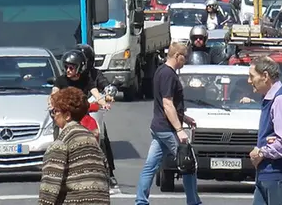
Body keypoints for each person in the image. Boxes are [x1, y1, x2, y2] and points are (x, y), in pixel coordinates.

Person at [135, 42, 202, 205]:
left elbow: (166, 103)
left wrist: (184, 118)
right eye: (184, 57)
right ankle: (193, 202)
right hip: (167, 128)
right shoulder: (168, 74)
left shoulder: (161, 71)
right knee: (187, 162)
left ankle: (141, 201)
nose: (185, 60)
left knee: (151, 166)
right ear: (177, 56)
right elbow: (167, 103)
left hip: (159, 127)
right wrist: (179, 129)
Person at [51, 47, 119, 190]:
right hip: (66, 119)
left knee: (98, 135)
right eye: (66, 67)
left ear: (80, 66)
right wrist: (52, 104)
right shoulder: (61, 80)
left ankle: (105, 170)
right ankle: (57, 172)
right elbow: (54, 94)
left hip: (83, 116)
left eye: (71, 67)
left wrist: (103, 103)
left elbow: (96, 93)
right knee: (58, 143)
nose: (68, 70)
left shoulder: (88, 78)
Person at [39, 87, 110, 205]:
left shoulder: (61, 143)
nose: (53, 116)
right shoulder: (92, 141)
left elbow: (49, 189)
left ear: (67, 115)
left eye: (55, 111)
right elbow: (105, 173)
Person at [246, 56, 282, 205]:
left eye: (252, 76)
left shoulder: (281, 99)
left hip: (278, 174)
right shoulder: (270, 98)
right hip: (267, 174)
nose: (249, 81)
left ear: (265, 76)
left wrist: (262, 152)